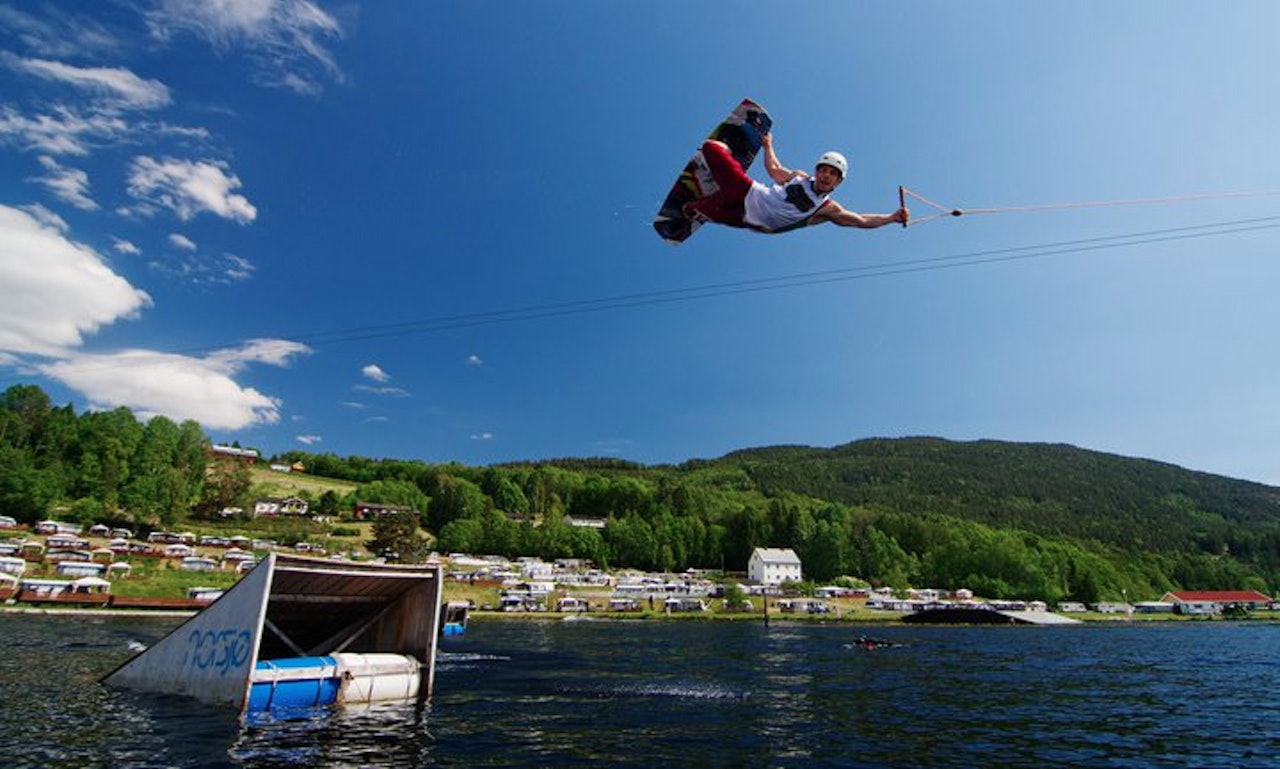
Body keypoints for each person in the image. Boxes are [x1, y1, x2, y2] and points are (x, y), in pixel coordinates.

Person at [683, 133, 908, 233]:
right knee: (711, 147)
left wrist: (891, 218)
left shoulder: (827, 209)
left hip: (746, 220)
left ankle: (706, 201)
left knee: (690, 210)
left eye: (832, 174)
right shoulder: (799, 177)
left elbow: (861, 220)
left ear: (838, 182)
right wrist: (768, 146)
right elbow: (774, 170)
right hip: (748, 193)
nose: (826, 176)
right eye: (823, 170)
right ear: (816, 171)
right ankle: (724, 158)